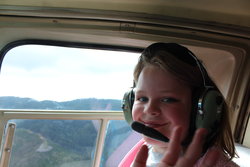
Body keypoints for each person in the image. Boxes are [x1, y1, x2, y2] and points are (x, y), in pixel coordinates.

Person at [119, 43, 239, 167]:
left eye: (168, 99)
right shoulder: (143, 150)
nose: (150, 109)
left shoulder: (216, 164)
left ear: (200, 110)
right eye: (142, 98)